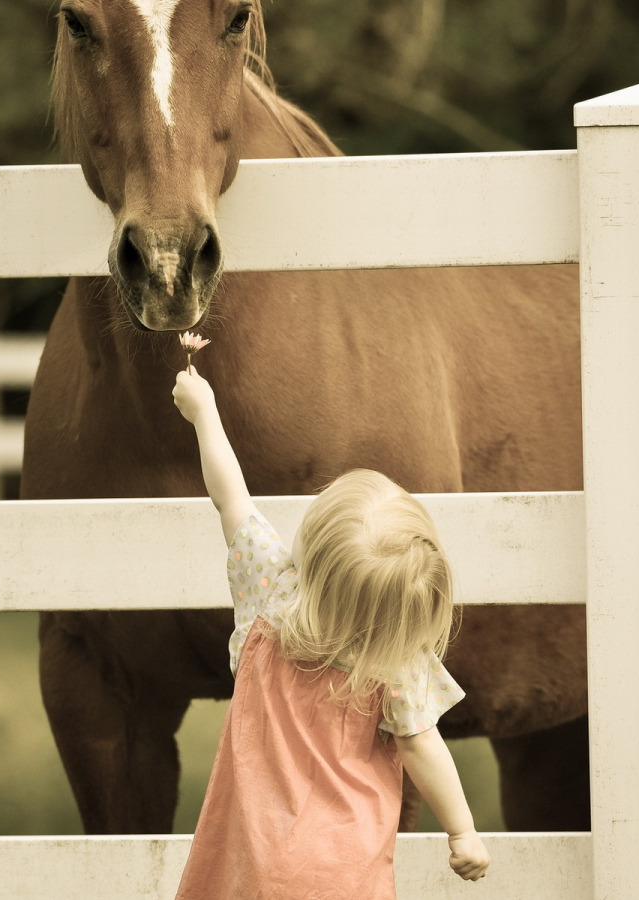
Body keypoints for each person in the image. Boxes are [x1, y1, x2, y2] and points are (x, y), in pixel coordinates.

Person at [171, 364, 490, 899]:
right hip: (344, 871)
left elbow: (231, 498)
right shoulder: (396, 656)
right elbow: (422, 746)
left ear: (311, 552)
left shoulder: (268, 597)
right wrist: (462, 831)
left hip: (254, 856)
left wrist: (204, 413)